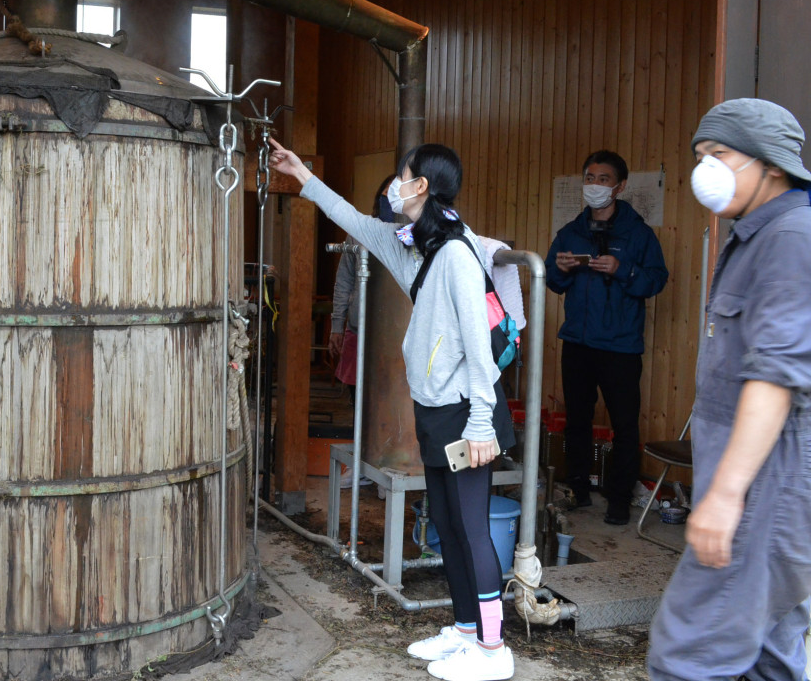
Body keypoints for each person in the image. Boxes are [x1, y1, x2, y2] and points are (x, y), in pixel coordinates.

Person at [269, 137, 516, 681]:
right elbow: (352, 219)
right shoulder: (414, 246)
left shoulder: (453, 252)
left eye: (401, 176)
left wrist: (480, 422)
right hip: (435, 409)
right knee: (449, 524)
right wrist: (301, 176)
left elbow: (480, 348)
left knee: (472, 527)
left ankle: (495, 651)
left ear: (421, 186)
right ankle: (465, 630)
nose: (392, 186)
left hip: (467, 412)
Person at [648, 99, 811, 681]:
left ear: (770, 163)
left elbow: (776, 376)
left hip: (769, 486)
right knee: (770, 655)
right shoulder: (756, 232)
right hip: (761, 488)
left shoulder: (792, 236)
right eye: (699, 156)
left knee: (689, 654)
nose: (705, 169)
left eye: (718, 154)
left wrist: (724, 495)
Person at [544, 151, 668, 525]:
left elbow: (656, 280)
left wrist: (623, 269)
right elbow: (552, 280)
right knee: (577, 420)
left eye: (602, 179)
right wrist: (562, 269)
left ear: (620, 186)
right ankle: (578, 489)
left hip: (620, 347)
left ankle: (618, 498)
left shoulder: (638, 234)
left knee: (624, 425)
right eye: (590, 177)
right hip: (578, 344)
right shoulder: (570, 231)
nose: (594, 185)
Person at [328, 174, 397, 399]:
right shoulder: (359, 233)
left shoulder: (415, 237)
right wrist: (337, 326)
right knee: (357, 397)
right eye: (384, 195)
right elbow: (344, 282)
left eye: (394, 196)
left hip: (397, 335)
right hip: (359, 327)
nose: (387, 200)